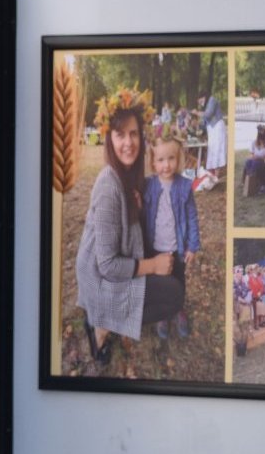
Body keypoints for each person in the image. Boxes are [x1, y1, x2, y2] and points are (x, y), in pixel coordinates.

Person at [76, 102, 182, 365]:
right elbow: (108, 264)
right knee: (174, 296)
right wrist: (153, 266)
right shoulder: (108, 186)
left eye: (133, 133)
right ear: (109, 139)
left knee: (176, 264)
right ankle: (100, 323)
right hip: (100, 278)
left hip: (120, 257)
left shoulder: (130, 174)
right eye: (120, 134)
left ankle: (110, 317)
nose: (128, 142)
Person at [142, 137, 201, 340]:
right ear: (153, 162)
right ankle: (163, 314)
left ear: (178, 159)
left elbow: (192, 217)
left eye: (171, 159)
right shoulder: (148, 185)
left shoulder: (184, 187)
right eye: (160, 160)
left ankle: (178, 309)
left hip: (177, 248)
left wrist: (192, 246)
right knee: (161, 283)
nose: (166, 165)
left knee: (178, 280)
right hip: (155, 249)